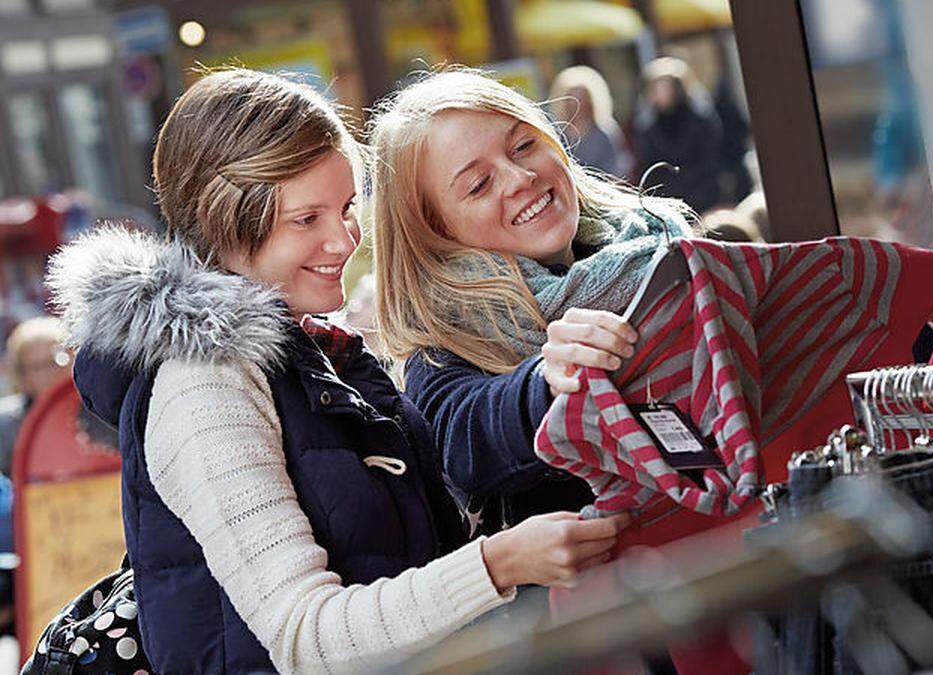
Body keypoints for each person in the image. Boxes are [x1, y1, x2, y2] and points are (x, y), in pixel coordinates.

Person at [46, 68, 628, 675]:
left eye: (347, 208)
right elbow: (306, 636)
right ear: (224, 220)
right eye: (307, 220)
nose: (344, 239)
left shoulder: (309, 349)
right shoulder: (203, 382)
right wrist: (497, 566)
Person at [369, 67, 933, 527]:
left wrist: (927, 319)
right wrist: (547, 384)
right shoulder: (443, 343)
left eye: (524, 144)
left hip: (800, 565)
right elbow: (461, 444)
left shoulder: (670, 244)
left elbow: (793, 347)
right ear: (431, 230)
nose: (521, 177)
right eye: (478, 184)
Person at [633, 57, 726, 213]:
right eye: (655, 87)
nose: (659, 92)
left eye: (664, 87)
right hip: (670, 202)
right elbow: (648, 165)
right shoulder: (647, 126)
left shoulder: (700, 119)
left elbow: (712, 157)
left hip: (704, 196)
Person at [0, 316, 71, 477]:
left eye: (59, 360)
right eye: (40, 366)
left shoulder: (101, 415)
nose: (53, 372)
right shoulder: (5, 428)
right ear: (22, 377)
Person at [549, 65, 634, 182]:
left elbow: (619, 164)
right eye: (572, 98)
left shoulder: (605, 130)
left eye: (582, 98)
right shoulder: (556, 134)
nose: (578, 103)